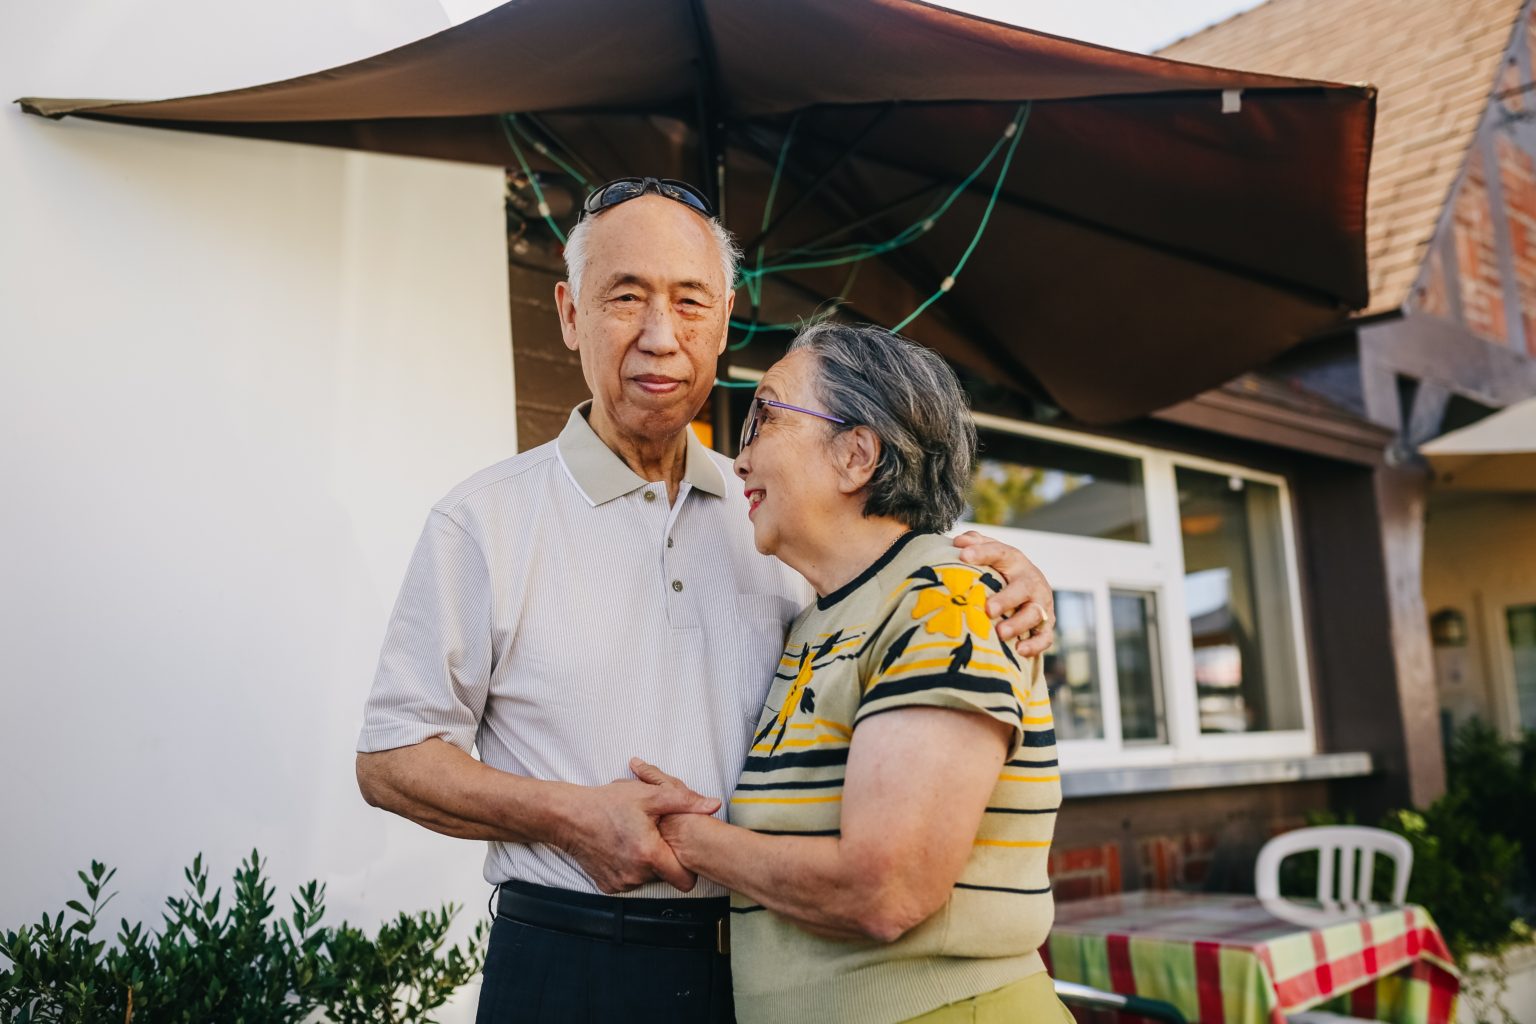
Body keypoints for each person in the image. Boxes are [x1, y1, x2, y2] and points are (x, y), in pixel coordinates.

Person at [353, 177, 1057, 1024]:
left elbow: (897, 595)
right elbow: (391, 758)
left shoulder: (775, 511)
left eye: (691, 302)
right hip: (576, 965)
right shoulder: (482, 521)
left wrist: (1009, 573)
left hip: (778, 959)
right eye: (625, 297)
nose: (661, 336)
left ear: (724, 322)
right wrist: (574, 818)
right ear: (571, 313)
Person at [637, 322, 1071, 1024]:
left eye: (764, 417)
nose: (740, 460)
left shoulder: (944, 604)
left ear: (855, 454)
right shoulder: (824, 619)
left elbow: (884, 891)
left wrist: (683, 838)